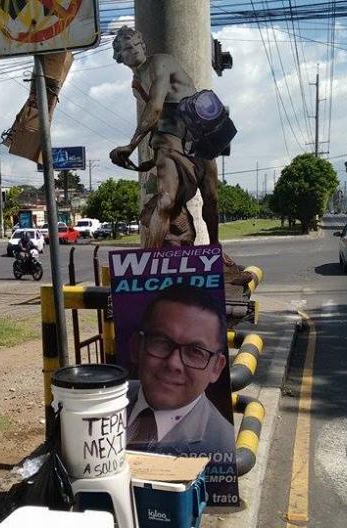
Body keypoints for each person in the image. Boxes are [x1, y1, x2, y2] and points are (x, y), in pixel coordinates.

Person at [108, 26, 220, 249]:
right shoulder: (136, 85)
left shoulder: (160, 61)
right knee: (166, 199)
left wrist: (131, 146)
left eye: (136, 45)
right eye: (127, 49)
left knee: (211, 196)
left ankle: (215, 249)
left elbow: (156, 105)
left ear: (143, 45)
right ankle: (153, 256)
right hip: (168, 132)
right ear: (120, 57)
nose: (134, 50)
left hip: (196, 123)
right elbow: (155, 115)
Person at [126, 285, 234, 457]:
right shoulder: (102, 404)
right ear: (136, 347)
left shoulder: (223, 446)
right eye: (161, 342)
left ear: (216, 368)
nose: (173, 364)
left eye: (195, 352)